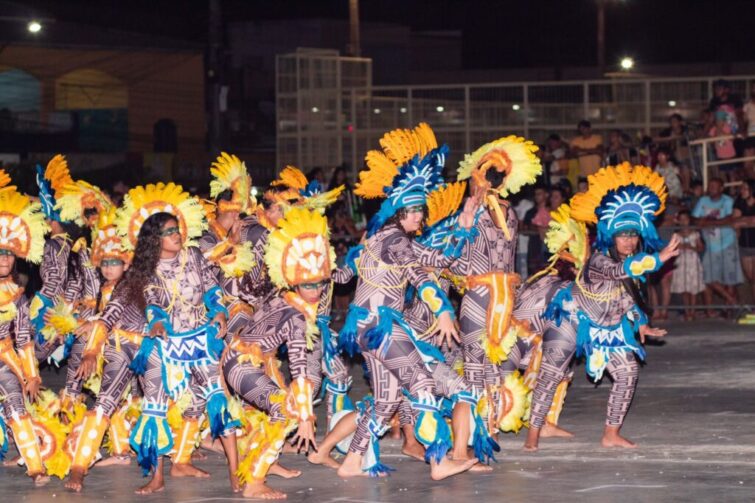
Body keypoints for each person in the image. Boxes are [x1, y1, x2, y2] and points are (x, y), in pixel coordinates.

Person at [525, 163, 679, 451]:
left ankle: (611, 433)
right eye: (623, 235)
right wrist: (659, 258)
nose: (630, 241)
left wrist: (641, 322)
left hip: (607, 327)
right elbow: (623, 273)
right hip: (570, 318)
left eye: (634, 235)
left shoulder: (631, 262)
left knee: (628, 372)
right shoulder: (600, 261)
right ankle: (534, 432)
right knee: (553, 371)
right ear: (611, 235)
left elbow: (628, 296)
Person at [116, 183, 238, 494]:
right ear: (155, 239)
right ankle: (157, 477)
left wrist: (220, 312)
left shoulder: (195, 256)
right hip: (165, 343)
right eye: (169, 231)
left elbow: (213, 289)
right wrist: (156, 323)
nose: (177, 235)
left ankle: (237, 475)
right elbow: (153, 301)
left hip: (200, 338)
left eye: (177, 229)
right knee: (155, 408)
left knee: (216, 401)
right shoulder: (147, 270)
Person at [0, 172, 50, 486]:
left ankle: (36, 468)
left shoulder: (18, 294)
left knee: (17, 404)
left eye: (8, 253)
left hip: (4, 359)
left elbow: (23, 336)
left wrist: (31, 374)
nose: (3, 259)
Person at [692, 178, 743, 317]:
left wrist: (707, 221)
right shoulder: (702, 201)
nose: (712, 187)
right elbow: (695, 220)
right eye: (710, 185)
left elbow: (730, 219)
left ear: (722, 188)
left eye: (715, 185)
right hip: (711, 245)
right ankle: (732, 301)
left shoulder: (727, 201)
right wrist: (714, 222)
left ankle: (730, 310)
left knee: (730, 279)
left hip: (728, 243)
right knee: (707, 278)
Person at [669, 209, 705, 321]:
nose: (684, 221)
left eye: (686, 219)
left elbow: (701, 247)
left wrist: (691, 247)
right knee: (684, 288)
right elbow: (672, 248)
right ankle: (687, 311)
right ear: (678, 221)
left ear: (689, 220)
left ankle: (693, 311)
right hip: (681, 262)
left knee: (692, 288)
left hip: (692, 261)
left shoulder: (695, 233)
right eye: (682, 219)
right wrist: (680, 247)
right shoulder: (676, 235)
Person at [733, 180, 755, 306]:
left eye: (745, 188)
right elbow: (735, 222)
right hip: (744, 245)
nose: (742, 190)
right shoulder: (739, 202)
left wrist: (743, 221)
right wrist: (747, 221)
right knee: (751, 278)